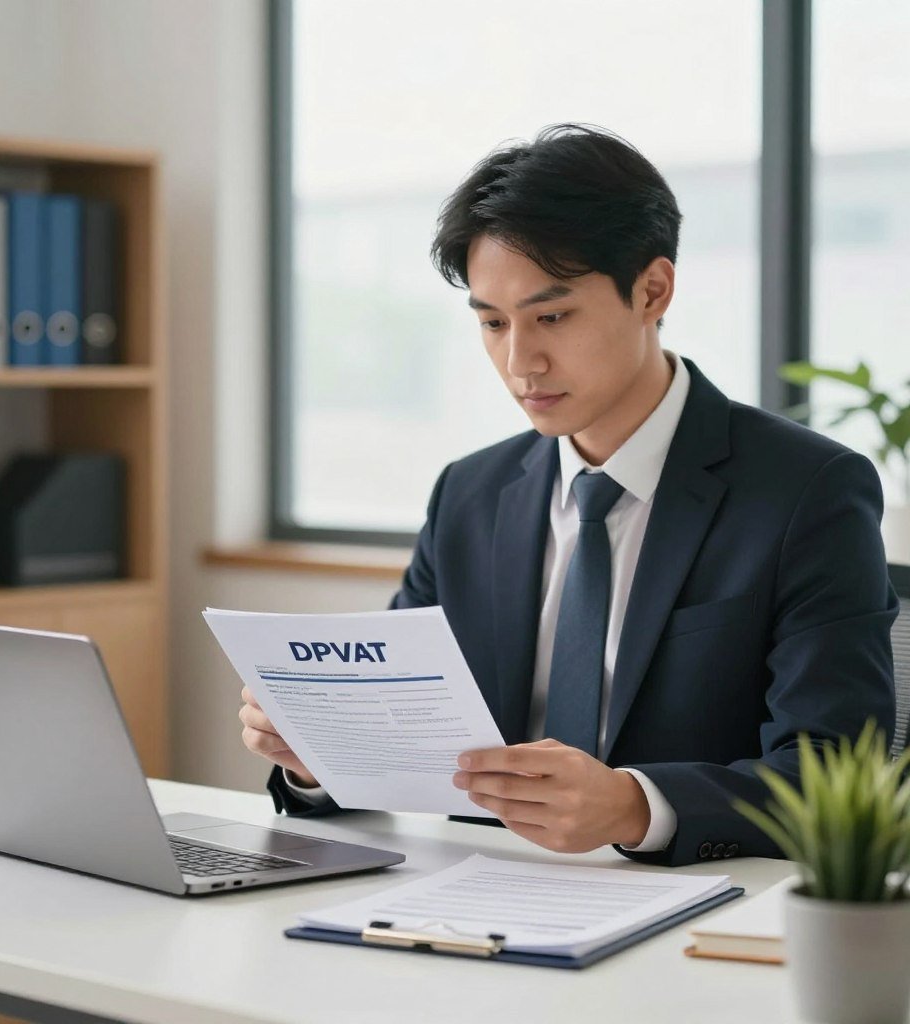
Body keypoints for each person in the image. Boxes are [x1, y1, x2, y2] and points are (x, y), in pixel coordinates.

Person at [239, 123, 897, 867]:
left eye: (551, 316)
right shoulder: (470, 493)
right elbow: (404, 737)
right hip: (479, 896)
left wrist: (633, 805)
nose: (520, 362)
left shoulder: (806, 491)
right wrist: (317, 759)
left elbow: (834, 773)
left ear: (652, 290)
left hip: (690, 909)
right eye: (492, 323)